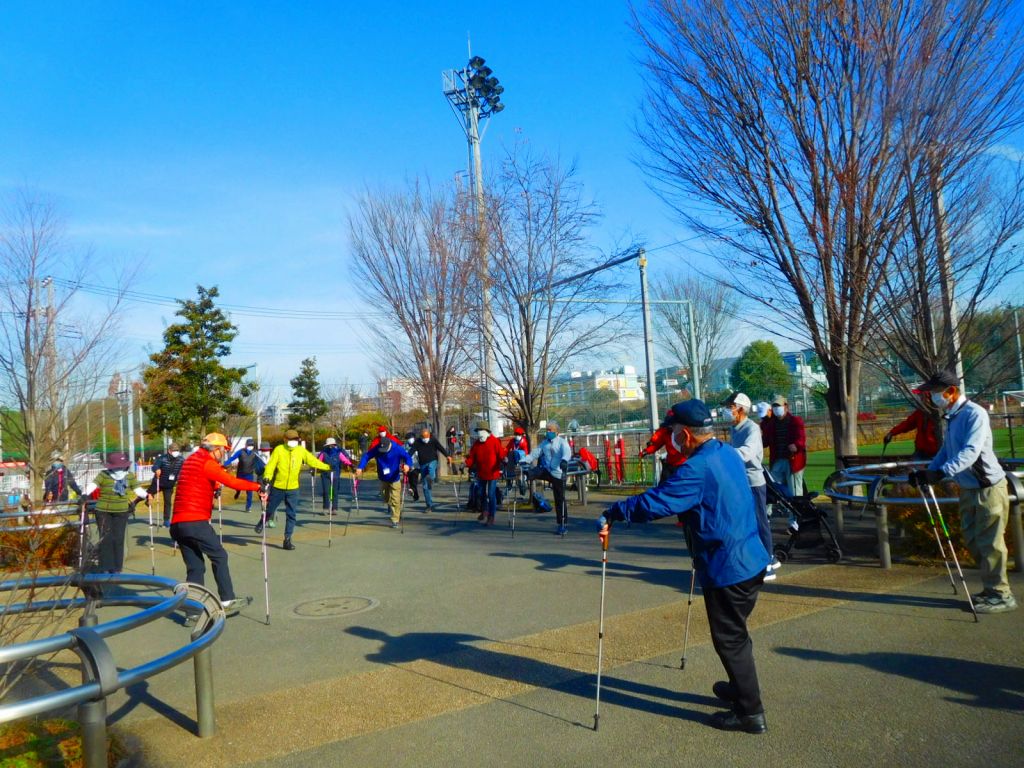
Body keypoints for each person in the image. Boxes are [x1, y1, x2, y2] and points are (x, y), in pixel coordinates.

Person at [597, 400, 770, 733]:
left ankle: (750, 712)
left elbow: (657, 502)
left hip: (729, 566)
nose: (672, 438)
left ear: (686, 434)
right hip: (749, 558)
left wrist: (614, 511)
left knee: (731, 640)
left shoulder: (696, 468)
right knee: (736, 635)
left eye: (673, 432)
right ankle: (741, 688)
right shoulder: (724, 452)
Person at [908, 370, 1016, 614]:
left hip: (988, 488)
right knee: (972, 540)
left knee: (990, 544)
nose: (932, 398)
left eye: (935, 393)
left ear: (951, 391)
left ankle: (1001, 594)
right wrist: (928, 472)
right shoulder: (951, 417)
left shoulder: (974, 414)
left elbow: (971, 451)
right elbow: (946, 450)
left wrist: (942, 472)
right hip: (968, 489)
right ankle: (991, 588)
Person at [170, 432, 263, 615]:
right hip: (195, 521)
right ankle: (227, 601)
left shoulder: (190, 460)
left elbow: (196, 482)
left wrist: (213, 487)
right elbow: (233, 482)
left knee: (195, 567)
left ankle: (193, 611)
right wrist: (258, 487)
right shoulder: (208, 463)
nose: (224, 454)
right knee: (219, 556)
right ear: (217, 450)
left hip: (177, 524)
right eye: (224, 451)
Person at [726, 392, 779, 580]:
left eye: (730, 406)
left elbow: (747, 453)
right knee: (745, 523)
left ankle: (768, 562)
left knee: (759, 521)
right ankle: (758, 559)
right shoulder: (735, 428)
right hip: (741, 481)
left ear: (740, 408)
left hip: (754, 482)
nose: (727, 410)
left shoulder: (752, 429)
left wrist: (724, 455)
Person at [256, 429, 331, 550]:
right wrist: (267, 477)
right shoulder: (279, 450)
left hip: (293, 488)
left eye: (295, 439)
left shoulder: (300, 450)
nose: (293, 441)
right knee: (270, 509)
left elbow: (312, 460)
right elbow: (271, 465)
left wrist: (327, 467)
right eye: (291, 439)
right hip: (278, 487)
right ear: (285, 439)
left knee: (291, 514)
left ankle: (287, 539)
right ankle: (262, 521)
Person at [760, 394, 806, 532]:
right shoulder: (771, 424)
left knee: (794, 493)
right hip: (778, 461)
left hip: (793, 461)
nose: (776, 408)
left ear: (786, 406)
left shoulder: (795, 421)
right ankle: (765, 517)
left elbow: (801, 438)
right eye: (774, 406)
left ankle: (795, 522)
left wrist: (796, 445)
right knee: (771, 488)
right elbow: (765, 441)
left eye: (778, 405)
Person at [91, 452, 138, 573]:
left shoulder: (129, 476)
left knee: (118, 539)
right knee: (105, 538)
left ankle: (117, 567)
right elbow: (93, 485)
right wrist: (84, 494)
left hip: (121, 511)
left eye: (122, 466)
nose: (119, 469)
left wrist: (147, 495)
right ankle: (105, 566)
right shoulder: (104, 475)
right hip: (103, 511)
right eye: (117, 466)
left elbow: (137, 488)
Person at [524, 421, 573, 535]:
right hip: (547, 470)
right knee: (535, 471)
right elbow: (535, 453)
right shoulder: (544, 443)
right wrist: (524, 460)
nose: (548, 432)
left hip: (558, 473)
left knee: (559, 498)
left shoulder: (561, 442)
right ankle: (527, 477)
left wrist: (564, 461)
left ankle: (562, 524)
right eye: (547, 430)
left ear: (556, 432)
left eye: (550, 430)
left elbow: (567, 452)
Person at [355, 429, 412, 528]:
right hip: (382, 477)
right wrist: (360, 467)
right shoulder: (377, 448)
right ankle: (390, 504)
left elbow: (407, 457)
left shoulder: (397, 448)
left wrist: (407, 465)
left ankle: (395, 519)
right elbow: (366, 456)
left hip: (394, 477)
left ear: (389, 445)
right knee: (385, 497)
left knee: (395, 499)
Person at [465, 421, 505, 526]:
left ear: (487, 432)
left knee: (491, 495)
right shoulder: (477, 444)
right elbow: (471, 457)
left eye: (481, 431)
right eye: (478, 431)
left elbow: (500, 453)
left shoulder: (494, 441)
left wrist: (504, 459)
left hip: (492, 473)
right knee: (480, 493)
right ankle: (485, 511)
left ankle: (491, 516)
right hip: (481, 473)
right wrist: (465, 464)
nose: (479, 434)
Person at [639, 411, 688, 483]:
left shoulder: (685, 432)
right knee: (664, 485)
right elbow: (656, 444)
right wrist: (647, 451)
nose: (671, 426)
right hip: (670, 464)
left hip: (684, 465)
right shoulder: (665, 432)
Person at [222, 438, 265, 513]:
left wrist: (265, 467)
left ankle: (248, 507)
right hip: (240, 473)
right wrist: (224, 464)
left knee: (249, 491)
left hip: (249, 474)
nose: (250, 446)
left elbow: (261, 462)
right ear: (246, 445)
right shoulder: (240, 452)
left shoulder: (255, 453)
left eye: (251, 445)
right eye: (249, 445)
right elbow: (232, 458)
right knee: (238, 486)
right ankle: (238, 492)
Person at [410, 427, 448, 512]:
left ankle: (431, 478)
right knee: (425, 487)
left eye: (426, 437)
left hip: (432, 461)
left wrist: (447, 456)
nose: (425, 439)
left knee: (431, 468)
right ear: (421, 436)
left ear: (429, 435)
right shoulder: (417, 442)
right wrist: (405, 460)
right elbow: (411, 451)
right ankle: (429, 505)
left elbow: (441, 448)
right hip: (423, 464)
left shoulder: (433, 440)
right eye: (423, 437)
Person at [150, 443, 184, 526]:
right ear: (169, 451)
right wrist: (157, 469)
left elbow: (184, 469)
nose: (176, 452)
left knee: (168, 502)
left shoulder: (181, 459)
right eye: (174, 450)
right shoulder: (162, 458)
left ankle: (166, 520)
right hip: (158, 482)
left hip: (169, 484)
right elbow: (154, 466)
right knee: (147, 494)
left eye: (177, 450)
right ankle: (135, 502)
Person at [316, 437, 353, 514]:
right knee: (326, 491)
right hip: (325, 474)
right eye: (329, 445)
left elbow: (345, 460)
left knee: (335, 492)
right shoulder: (323, 453)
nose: (330, 446)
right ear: (326, 445)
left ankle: (334, 508)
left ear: (334, 445)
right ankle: (326, 507)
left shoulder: (338, 453)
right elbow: (317, 462)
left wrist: (351, 465)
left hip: (335, 474)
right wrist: (313, 468)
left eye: (332, 445)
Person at [404, 432, 422, 502]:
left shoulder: (418, 445)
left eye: (411, 438)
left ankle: (412, 490)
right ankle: (416, 496)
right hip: (408, 466)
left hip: (416, 466)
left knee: (414, 480)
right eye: (408, 438)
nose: (410, 440)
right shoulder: (405, 446)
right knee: (411, 481)